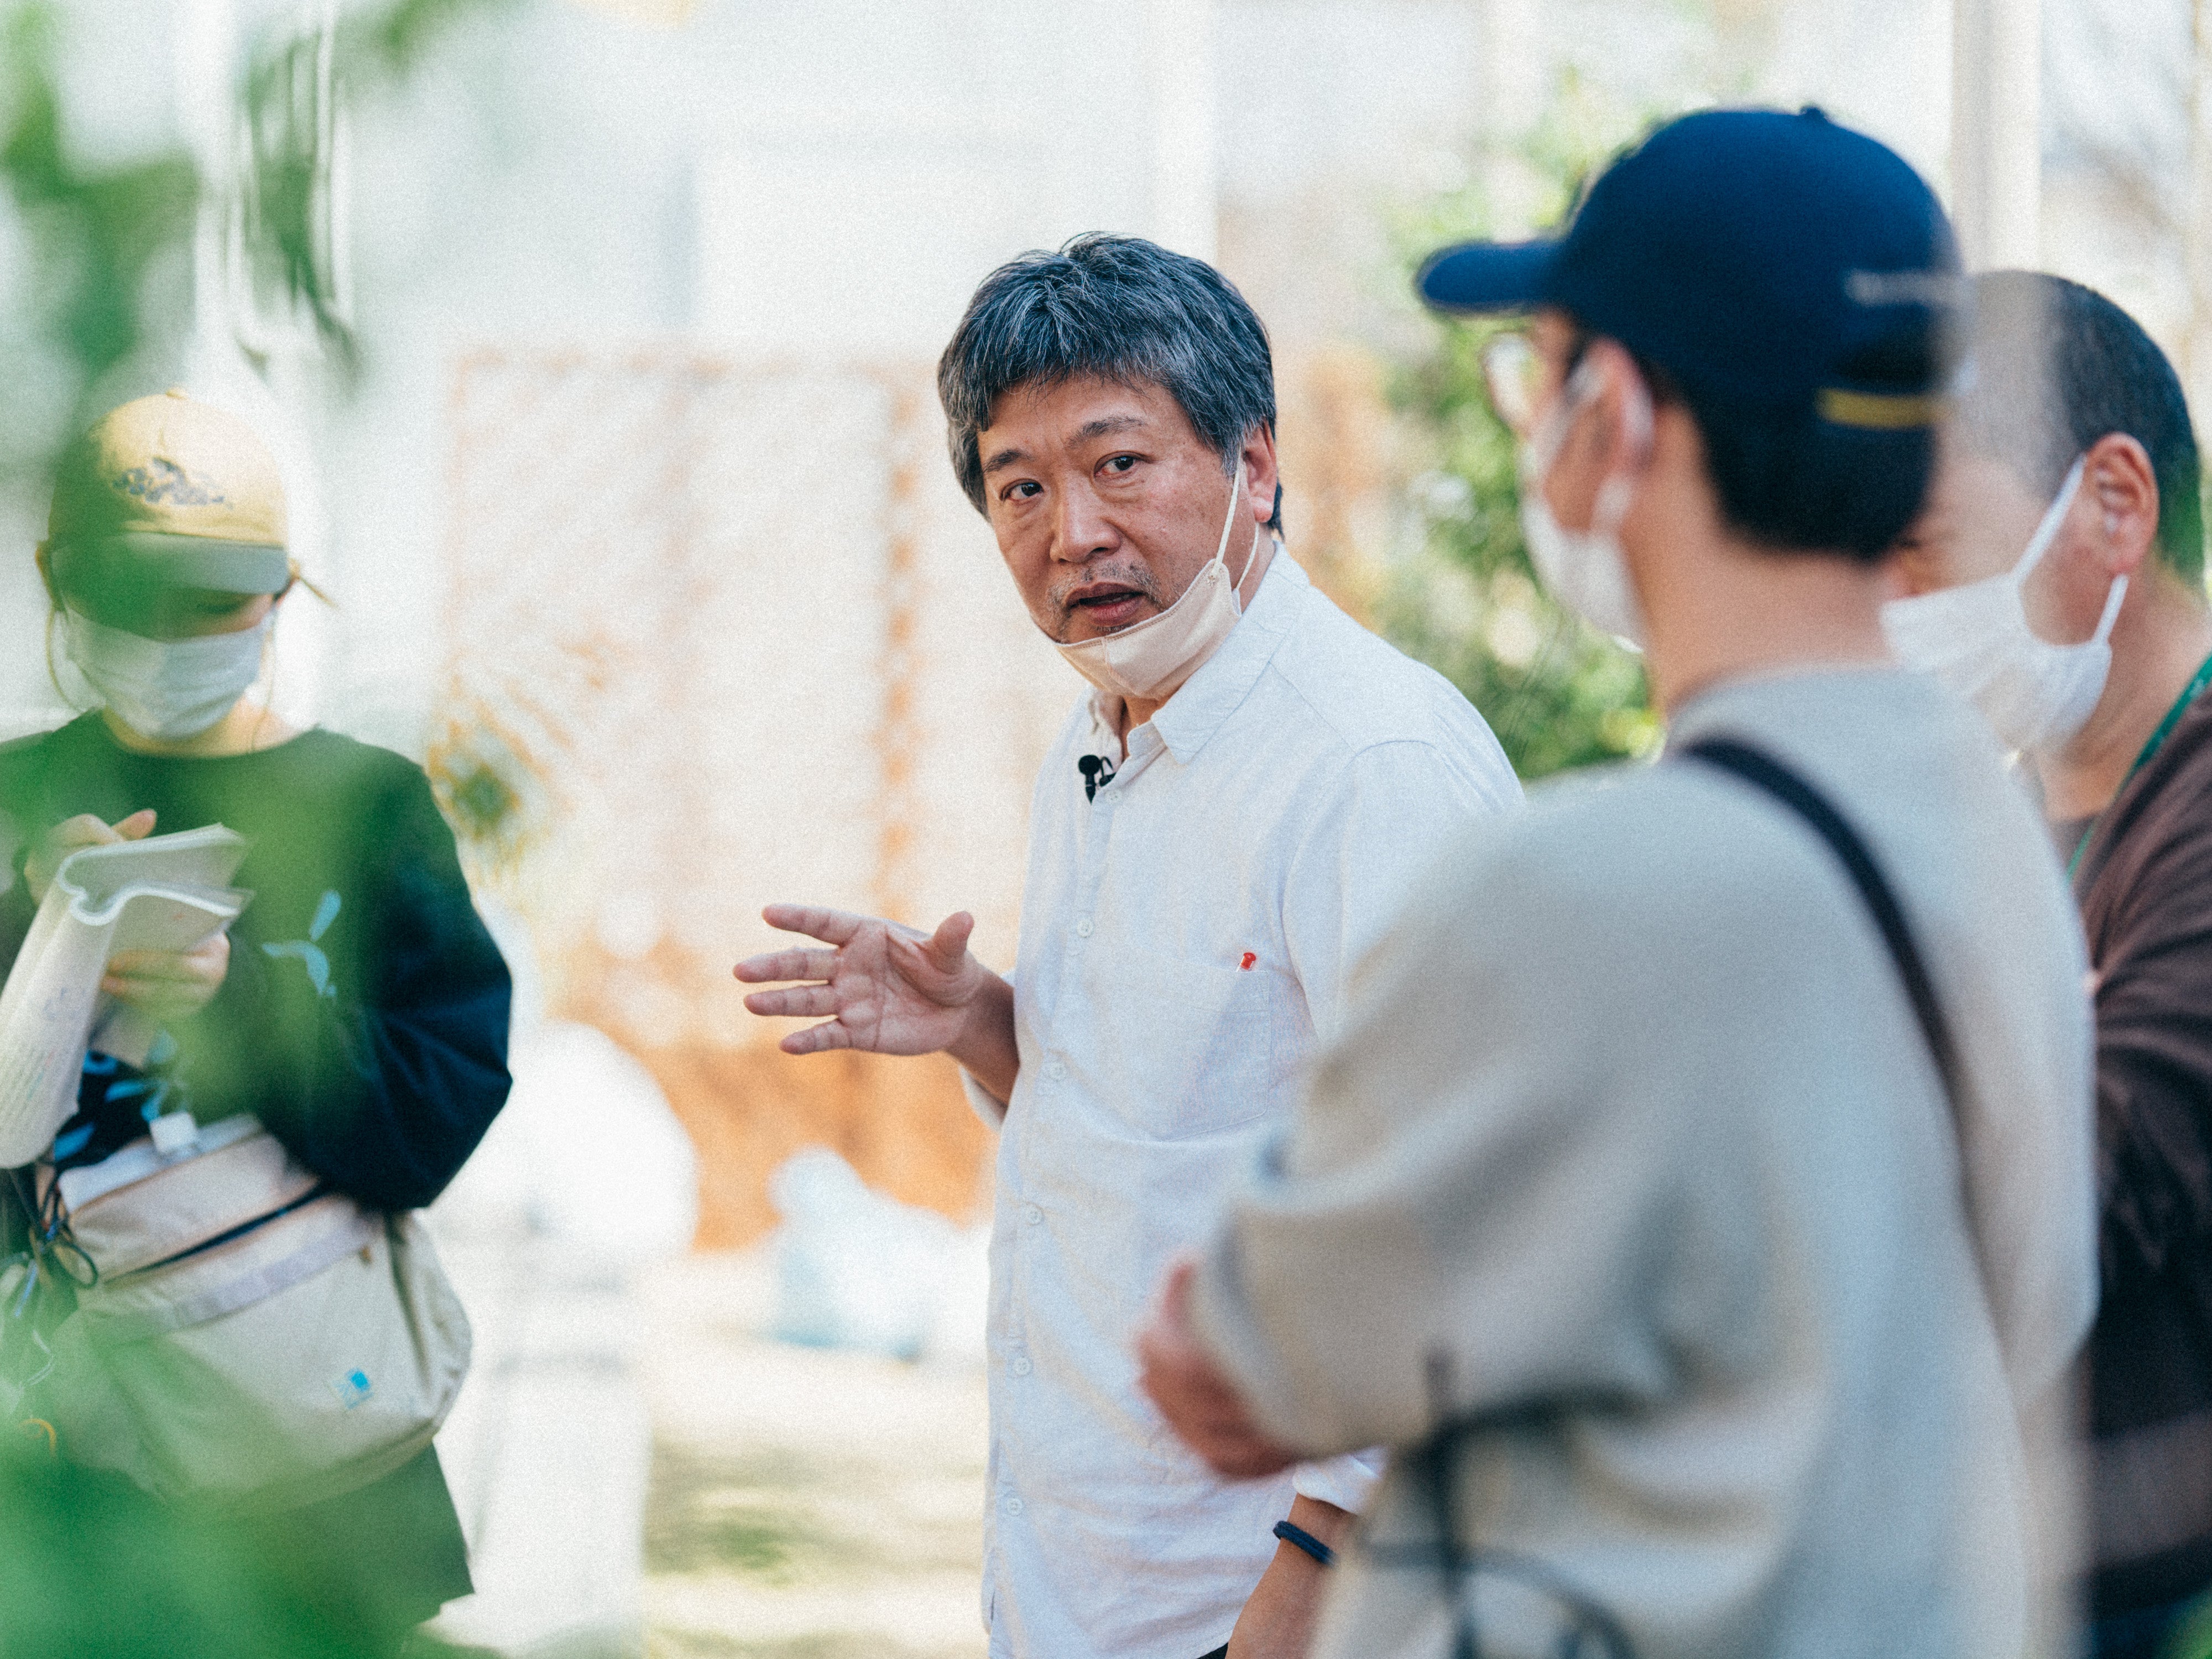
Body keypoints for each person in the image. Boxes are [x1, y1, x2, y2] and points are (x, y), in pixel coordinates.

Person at [1136, 109, 2096, 1659]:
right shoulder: (2003, 847)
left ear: (1619, 419)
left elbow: (1252, 1356)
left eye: (1545, 370)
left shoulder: (1580, 887)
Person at [734, 233, 1521, 1659]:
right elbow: (1177, 1116)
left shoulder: (1370, 767)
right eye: (1018, 487)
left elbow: (1470, 1223)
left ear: (1256, 466)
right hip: (1083, 1585)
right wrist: (981, 1019)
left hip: (1268, 1606)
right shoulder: (1096, 741)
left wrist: (1294, 1601)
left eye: (1118, 465)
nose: (1071, 533)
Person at [0, 391, 513, 1656]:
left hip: (314, 1463)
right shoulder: (15, 800)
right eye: (131, 597)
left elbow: (428, 1132)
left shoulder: (368, 805)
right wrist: (40, 932)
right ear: (60, 584)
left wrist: (243, 995)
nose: (169, 634)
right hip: (66, 1466)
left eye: (210, 599)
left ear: (284, 593)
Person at [1883, 272, 2212, 1659]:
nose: (1893, 603)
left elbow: (2095, 1168)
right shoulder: (1986, 815)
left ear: (2114, 503)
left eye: (1928, 545)